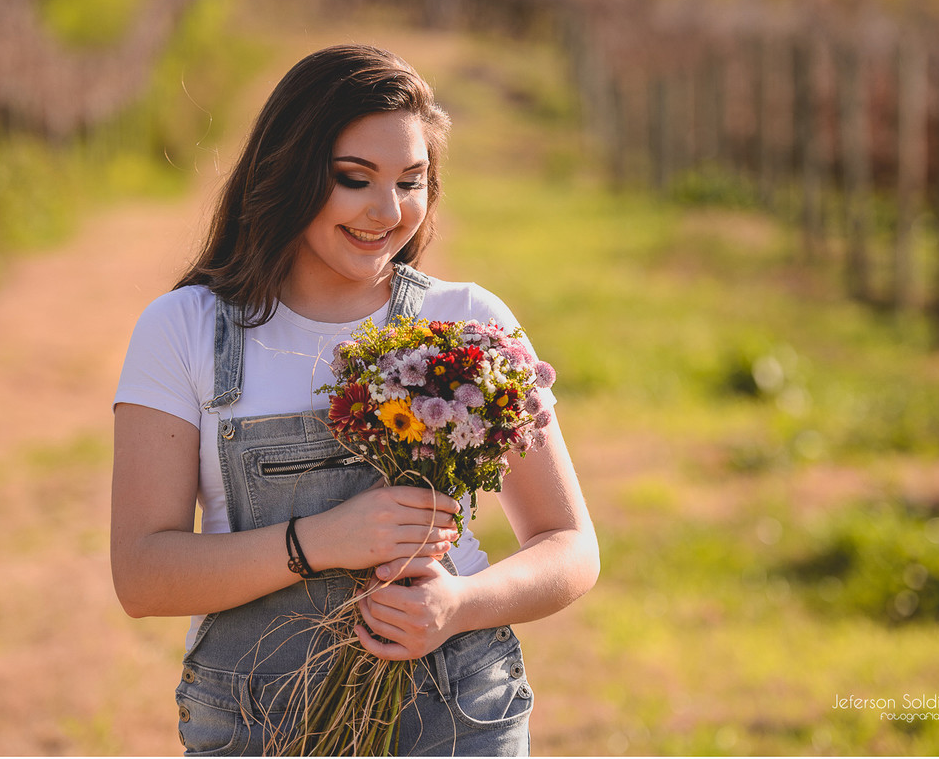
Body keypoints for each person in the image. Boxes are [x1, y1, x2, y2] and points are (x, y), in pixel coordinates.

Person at [111, 44, 599, 756]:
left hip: (459, 716)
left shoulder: (466, 323)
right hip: (253, 720)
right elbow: (142, 576)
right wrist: (321, 542)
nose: (386, 211)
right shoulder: (185, 329)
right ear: (291, 171)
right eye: (354, 179)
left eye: (411, 181)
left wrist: (459, 605)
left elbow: (570, 545)